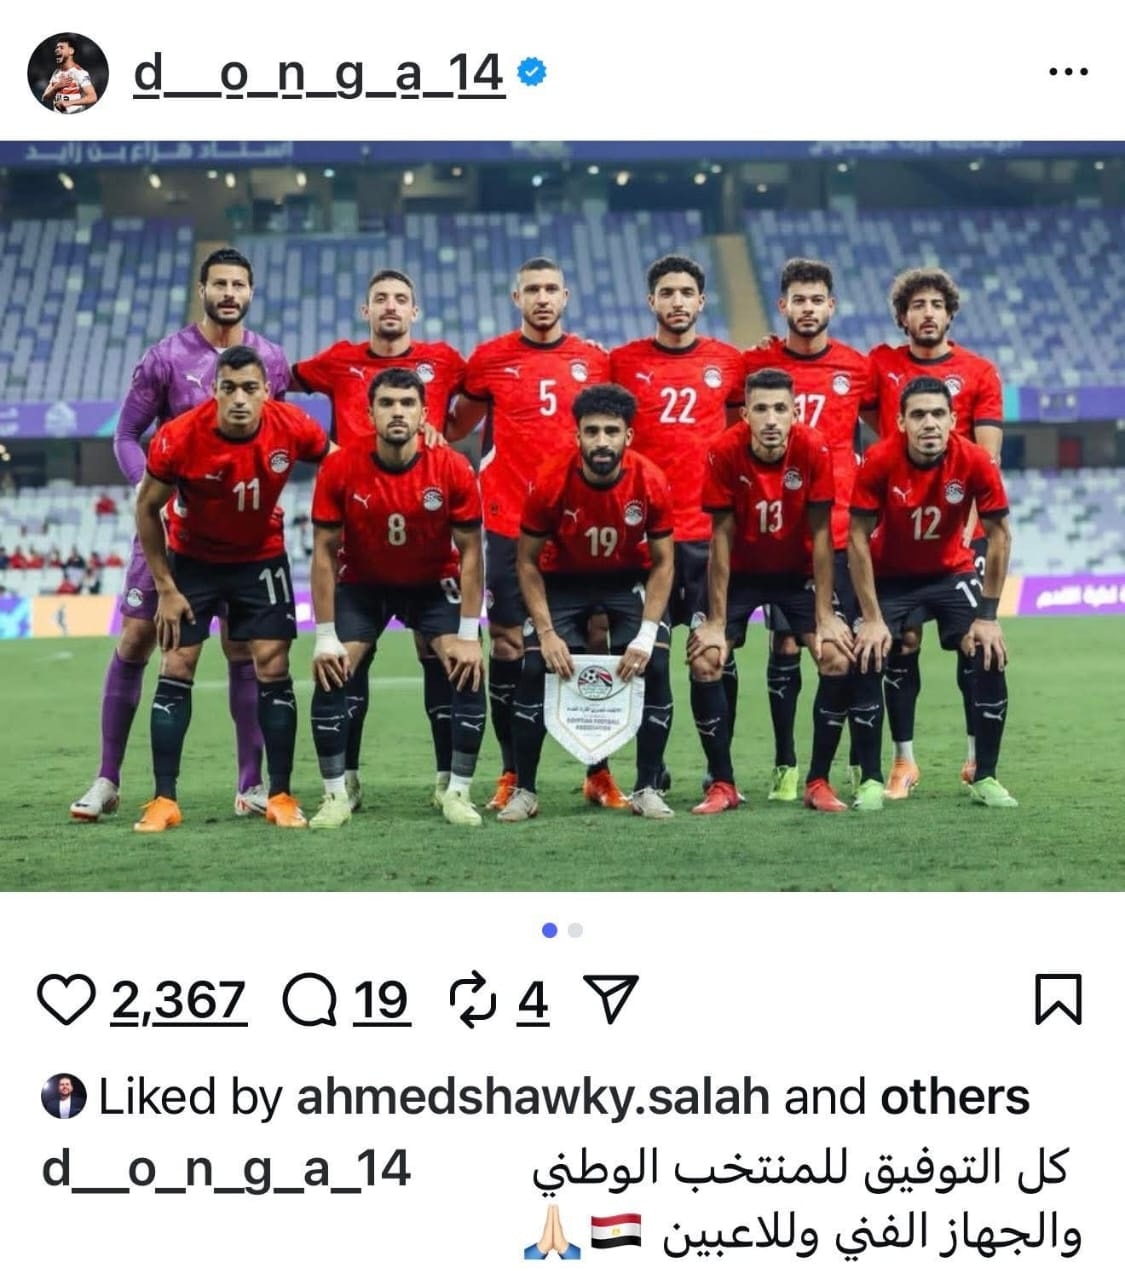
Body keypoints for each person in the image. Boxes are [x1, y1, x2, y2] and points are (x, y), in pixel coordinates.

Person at [70, 248, 291, 823]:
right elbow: (125, 434)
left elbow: (280, 434)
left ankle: (250, 784)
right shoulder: (166, 357)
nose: (229, 293)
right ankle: (107, 779)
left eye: (238, 284)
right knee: (138, 638)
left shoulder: (271, 360)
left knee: (244, 648)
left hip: (242, 537)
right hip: (172, 534)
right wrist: (151, 492)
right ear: (202, 291)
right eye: (219, 283)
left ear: (251, 292)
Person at [130, 346, 332, 833]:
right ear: (213, 391)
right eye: (229, 388)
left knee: (273, 665)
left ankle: (280, 795)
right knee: (177, 663)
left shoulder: (292, 425)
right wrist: (166, 586)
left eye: (250, 388)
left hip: (261, 558)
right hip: (193, 562)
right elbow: (146, 507)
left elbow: (340, 464)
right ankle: (163, 800)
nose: (240, 398)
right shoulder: (179, 436)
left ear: (267, 392)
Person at [456, 258, 628, 812]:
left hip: (579, 526)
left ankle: (598, 770)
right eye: (532, 289)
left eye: (552, 288)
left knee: (595, 641)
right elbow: (456, 423)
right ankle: (511, 773)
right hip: (510, 522)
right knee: (509, 644)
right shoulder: (489, 360)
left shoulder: (595, 360)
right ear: (517, 298)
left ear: (566, 296)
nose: (543, 297)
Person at [292, 268, 467, 812]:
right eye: (381, 299)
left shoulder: (445, 361)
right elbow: (276, 381)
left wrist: (446, 435)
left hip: (426, 532)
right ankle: (345, 780)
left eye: (400, 299)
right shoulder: (338, 361)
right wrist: (323, 448)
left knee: (439, 656)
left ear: (415, 311)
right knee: (350, 659)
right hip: (360, 536)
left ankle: (448, 781)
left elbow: (484, 396)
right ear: (365, 311)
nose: (391, 306)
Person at [306, 367, 486, 829]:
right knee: (334, 667)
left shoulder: (452, 467)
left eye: (408, 404)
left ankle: (455, 790)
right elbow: (324, 552)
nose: (398, 412)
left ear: (424, 414)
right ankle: (338, 792)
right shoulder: (340, 466)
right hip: (363, 582)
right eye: (387, 403)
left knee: (466, 665)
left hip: (433, 581)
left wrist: (469, 634)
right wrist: (324, 636)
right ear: (369, 414)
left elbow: (471, 552)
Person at [497, 383, 676, 822]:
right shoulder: (550, 481)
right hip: (564, 580)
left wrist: (646, 635)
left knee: (655, 665)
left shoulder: (650, 480)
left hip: (627, 580)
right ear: (576, 435)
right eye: (591, 431)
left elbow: (663, 563)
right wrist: (546, 633)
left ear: (627, 436)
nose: (601, 441)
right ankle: (524, 790)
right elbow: (526, 561)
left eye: (611, 431)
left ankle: (648, 787)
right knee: (535, 669)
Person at [687, 368, 856, 813]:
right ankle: (721, 784)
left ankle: (818, 782)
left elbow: (823, 535)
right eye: (760, 409)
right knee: (705, 659)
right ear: (745, 414)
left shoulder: (814, 447)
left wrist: (825, 616)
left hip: (797, 573)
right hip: (740, 574)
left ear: (795, 412)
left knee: (837, 655)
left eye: (780, 408)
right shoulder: (723, 451)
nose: (771, 419)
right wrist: (716, 622)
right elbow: (720, 538)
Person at [864, 267, 1004, 797]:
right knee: (903, 643)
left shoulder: (979, 371)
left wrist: (966, 528)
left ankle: (975, 760)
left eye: (936, 305)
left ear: (950, 314)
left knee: (976, 644)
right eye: (917, 305)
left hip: (959, 529)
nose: (927, 313)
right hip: (900, 529)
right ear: (903, 317)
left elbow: (987, 457)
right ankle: (904, 762)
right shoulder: (879, 364)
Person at [848, 376, 1016, 810]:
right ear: (901, 422)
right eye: (919, 414)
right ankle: (880, 775)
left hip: (950, 571)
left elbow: (999, 535)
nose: (929, 423)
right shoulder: (879, 460)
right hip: (892, 576)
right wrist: (871, 618)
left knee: (986, 650)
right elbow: (857, 537)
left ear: (953, 420)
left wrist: (988, 616)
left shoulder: (974, 460)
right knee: (868, 653)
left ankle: (984, 774)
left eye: (938, 414)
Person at [609, 254, 743, 793]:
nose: (678, 301)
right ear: (652, 301)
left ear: (702, 301)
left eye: (687, 292)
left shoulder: (729, 362)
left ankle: (720, 771)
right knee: (652, 660)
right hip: (648, 539)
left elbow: (740, 433)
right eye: (667, 293)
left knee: (713, 657)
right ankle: (651, 773)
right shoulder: (621, 362)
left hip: (709, 537)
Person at [743, 258, 873, 801]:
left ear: (831, 306)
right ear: (783, 306)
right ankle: (785, 763)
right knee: (783, 645)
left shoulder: (857, 368)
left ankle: (848, 765)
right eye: (798, 299)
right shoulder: (756, 363)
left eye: (817, 299)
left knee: (840, 647)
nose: (808, 308)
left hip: (837, 532)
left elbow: (889, 435)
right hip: (777, 534)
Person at [40, 36, 97, 113]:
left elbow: (93, 97)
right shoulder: (56, 73)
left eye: (61, 47)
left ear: (71, 51)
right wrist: (56, 88)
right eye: (56, 48)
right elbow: (44, 98)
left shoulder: (79, 72)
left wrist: (68, 103)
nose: (57, 50)